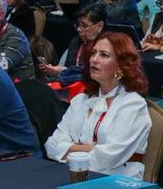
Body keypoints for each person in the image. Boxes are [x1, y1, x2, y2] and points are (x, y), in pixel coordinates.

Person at [44, 32, 152, 178]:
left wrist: (69, 149)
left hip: (117, 181)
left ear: (121, 65)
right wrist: (91, 149)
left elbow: (108, 159)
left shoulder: (133, 105)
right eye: (93, 53)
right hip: (74, 174)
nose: (94, 60)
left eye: (104, 55)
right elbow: (51, 145)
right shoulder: (81, 99)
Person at [43, 4, 107, 78]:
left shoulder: (109, 47)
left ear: (100, 26)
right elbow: (66, 67)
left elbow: (114, 75)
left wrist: (65, 71)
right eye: (78, 25)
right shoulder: (75, 42)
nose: (79, 29)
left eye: (84, 26)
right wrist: (57, 72)